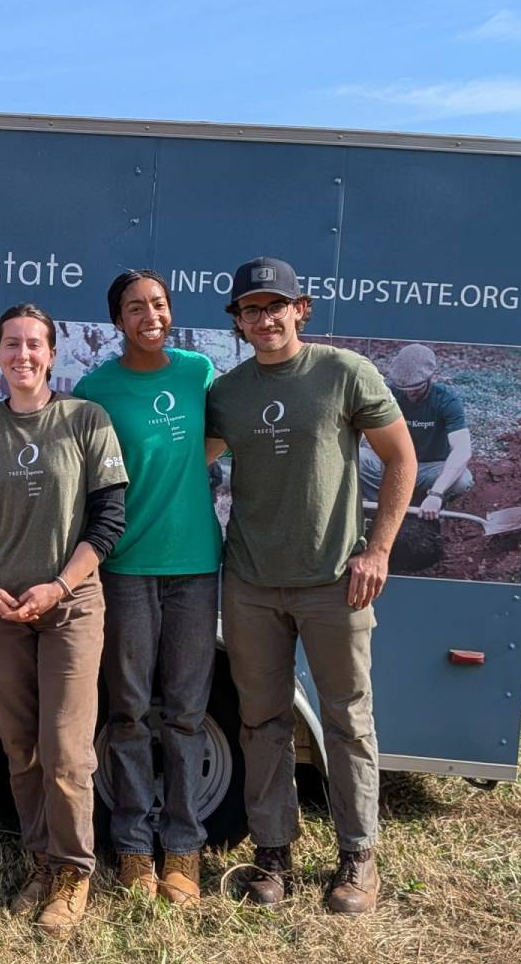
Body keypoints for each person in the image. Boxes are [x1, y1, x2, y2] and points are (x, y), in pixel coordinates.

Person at [204, 255, 417, 916]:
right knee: (261, 721)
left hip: (333, 582)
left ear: (302, 309)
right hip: (251, 585)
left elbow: (401, 458)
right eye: (250, 309)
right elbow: (185, 462)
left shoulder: (343, 373)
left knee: (347, 718)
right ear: (237, 322)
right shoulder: (228, 395)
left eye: (276, 305)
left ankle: (358, 857)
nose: (264, 319)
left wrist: (376, 551)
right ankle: (273, 855)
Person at [0, 303, 127, 934]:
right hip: (2, 608)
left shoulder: (86, 421)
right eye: (11, 345)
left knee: (65, 748)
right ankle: (39, 861)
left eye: (34, 345)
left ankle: (74, 871)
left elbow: (109, 521)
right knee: (20, 744)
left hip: (70, 605)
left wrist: (57, 587)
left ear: (52, 354)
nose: (22, 355)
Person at [72, 270, 223, 904]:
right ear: (118, 321)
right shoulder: (95, 389)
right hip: (126, 569)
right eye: (135, 308)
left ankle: (184, 849)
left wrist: (182, 469)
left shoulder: (197, 372)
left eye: (158, 304)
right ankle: (134, 846)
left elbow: (214, 440)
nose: (149, 315)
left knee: (187, 714)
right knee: (129, 712)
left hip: (194, 566)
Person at [357, 342, 473, 520]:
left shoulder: (446, 402)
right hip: (391, 466)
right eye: (405, 389)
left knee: (462, 479)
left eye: (416, 388)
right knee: (357, 456)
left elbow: (462, 449)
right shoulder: (388, 393)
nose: (410, 394)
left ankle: (426, 504)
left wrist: (436, 494)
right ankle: (381, 506)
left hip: (427, 470)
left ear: (430, 377)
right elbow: (361, 428)